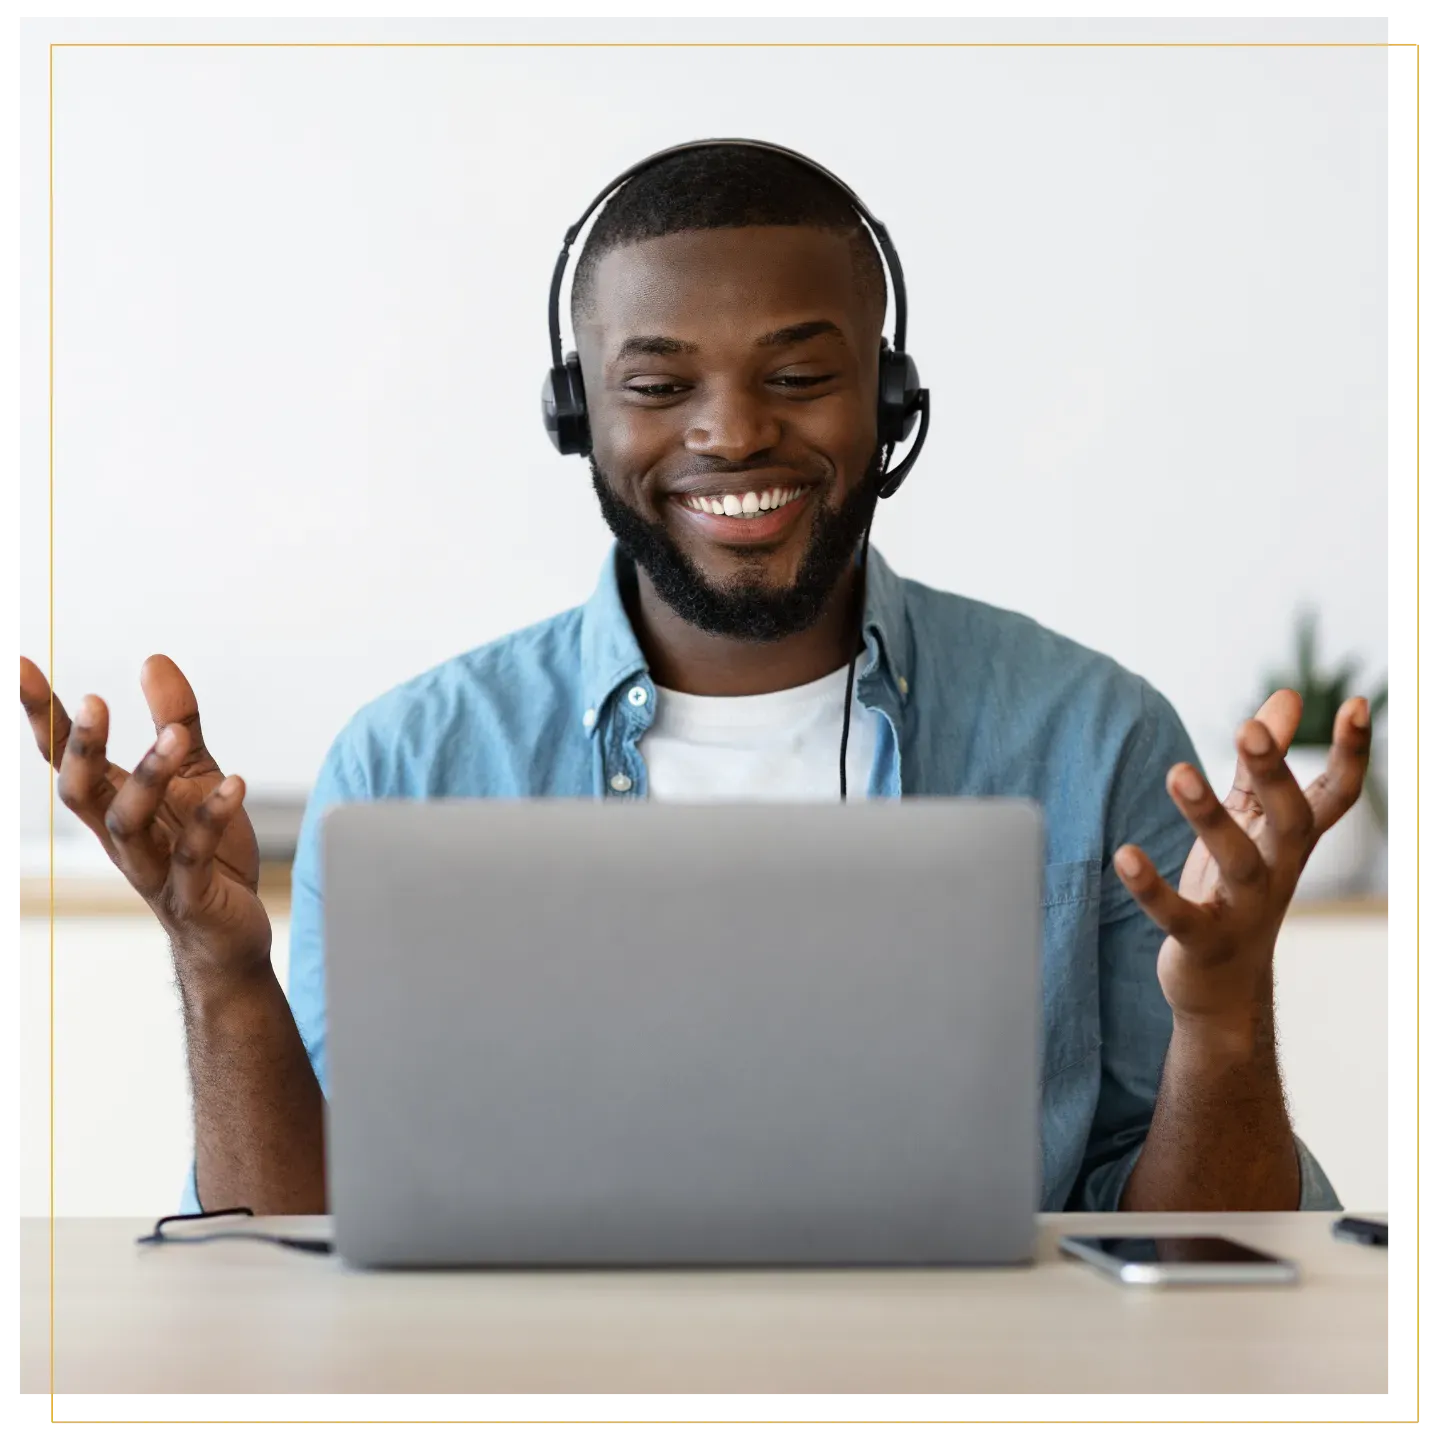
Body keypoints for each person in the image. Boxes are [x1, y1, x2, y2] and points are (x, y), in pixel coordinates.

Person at [17, 142, 1368, 1220]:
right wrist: (220, 962)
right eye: (657, 383)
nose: (730, 430)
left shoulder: (1094, 735)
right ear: (578, 416)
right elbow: (285, 1251)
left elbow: (1211, 1261)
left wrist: (1224, 1024)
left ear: (889, 403)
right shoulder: (412, 762)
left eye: (798, 373)